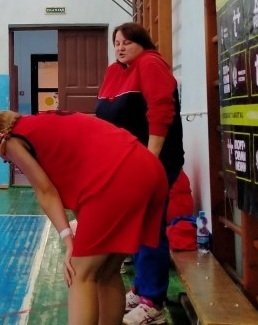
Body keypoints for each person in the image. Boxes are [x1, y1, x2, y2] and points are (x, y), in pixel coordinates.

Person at [0, 110, 168, 325]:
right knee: (106, 272)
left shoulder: (11, 140)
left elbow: (45, 192)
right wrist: (75, 238)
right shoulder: (40, 126)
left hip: (119, 175)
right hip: (146, 167)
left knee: (78, 273)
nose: (4, 159)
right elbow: (78, 190)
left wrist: (68, 240)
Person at [95, 22, 184, 325]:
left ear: (142, 43)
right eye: (116, 42)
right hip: (127, 165)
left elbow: (161, 112)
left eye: (127, 42)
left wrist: (149, 161)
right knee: (138, 227)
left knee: (150, 226)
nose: (120, 47)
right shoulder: (114, 71)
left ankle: (153, 302)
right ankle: (141, 287)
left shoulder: (150, 64)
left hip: (155, 163)